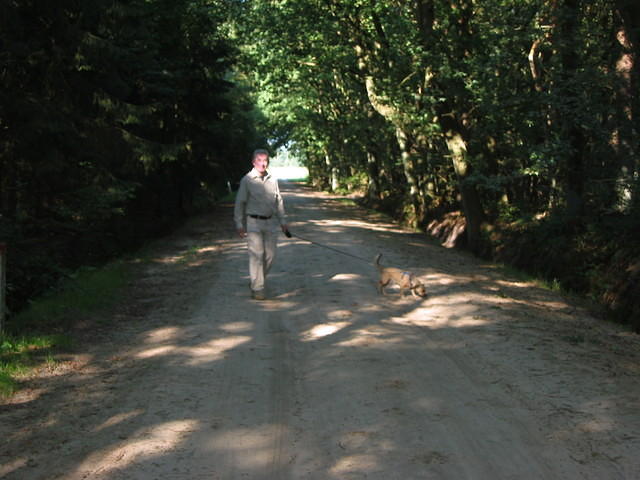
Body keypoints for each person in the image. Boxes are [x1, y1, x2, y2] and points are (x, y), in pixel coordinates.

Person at [234, 149, 289, 300]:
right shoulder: (247, 180)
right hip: (254, 223)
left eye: (265, 160)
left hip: (271, 222)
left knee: (270, 256)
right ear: (253, 162)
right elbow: (240, 203)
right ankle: (258, 287)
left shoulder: (273, 179)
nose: (263, 163)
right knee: (257, 255)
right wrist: (239, 223)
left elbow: (279, 201)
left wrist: (283, 221)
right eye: (259, 160)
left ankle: (256, 280)